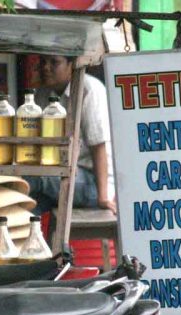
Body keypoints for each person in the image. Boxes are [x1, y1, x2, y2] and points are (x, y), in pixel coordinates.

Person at [28, 55, 117, 215]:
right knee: (26, 204)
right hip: (60, 176)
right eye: (43, 62)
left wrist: (103, 197)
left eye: (54, 62)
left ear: (72, 64)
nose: (46, 67)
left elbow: (98, 146)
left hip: (93, 183)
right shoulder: (42, 93)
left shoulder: (89, 89)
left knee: (35, 176)